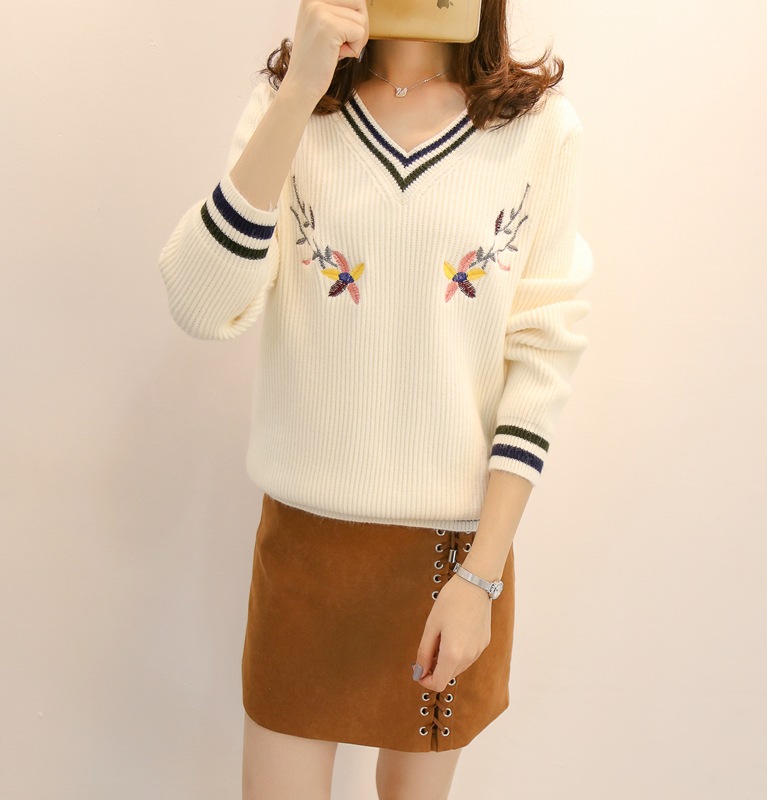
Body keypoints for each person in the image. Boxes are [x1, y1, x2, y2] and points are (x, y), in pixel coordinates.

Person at [157, 0, 593, 797]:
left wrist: (480, 579)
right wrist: (299, 92)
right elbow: (200, 303)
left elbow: (541, 358)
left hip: (453, 563)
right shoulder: (295, 107)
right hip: (305, 552)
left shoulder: (538, 129)